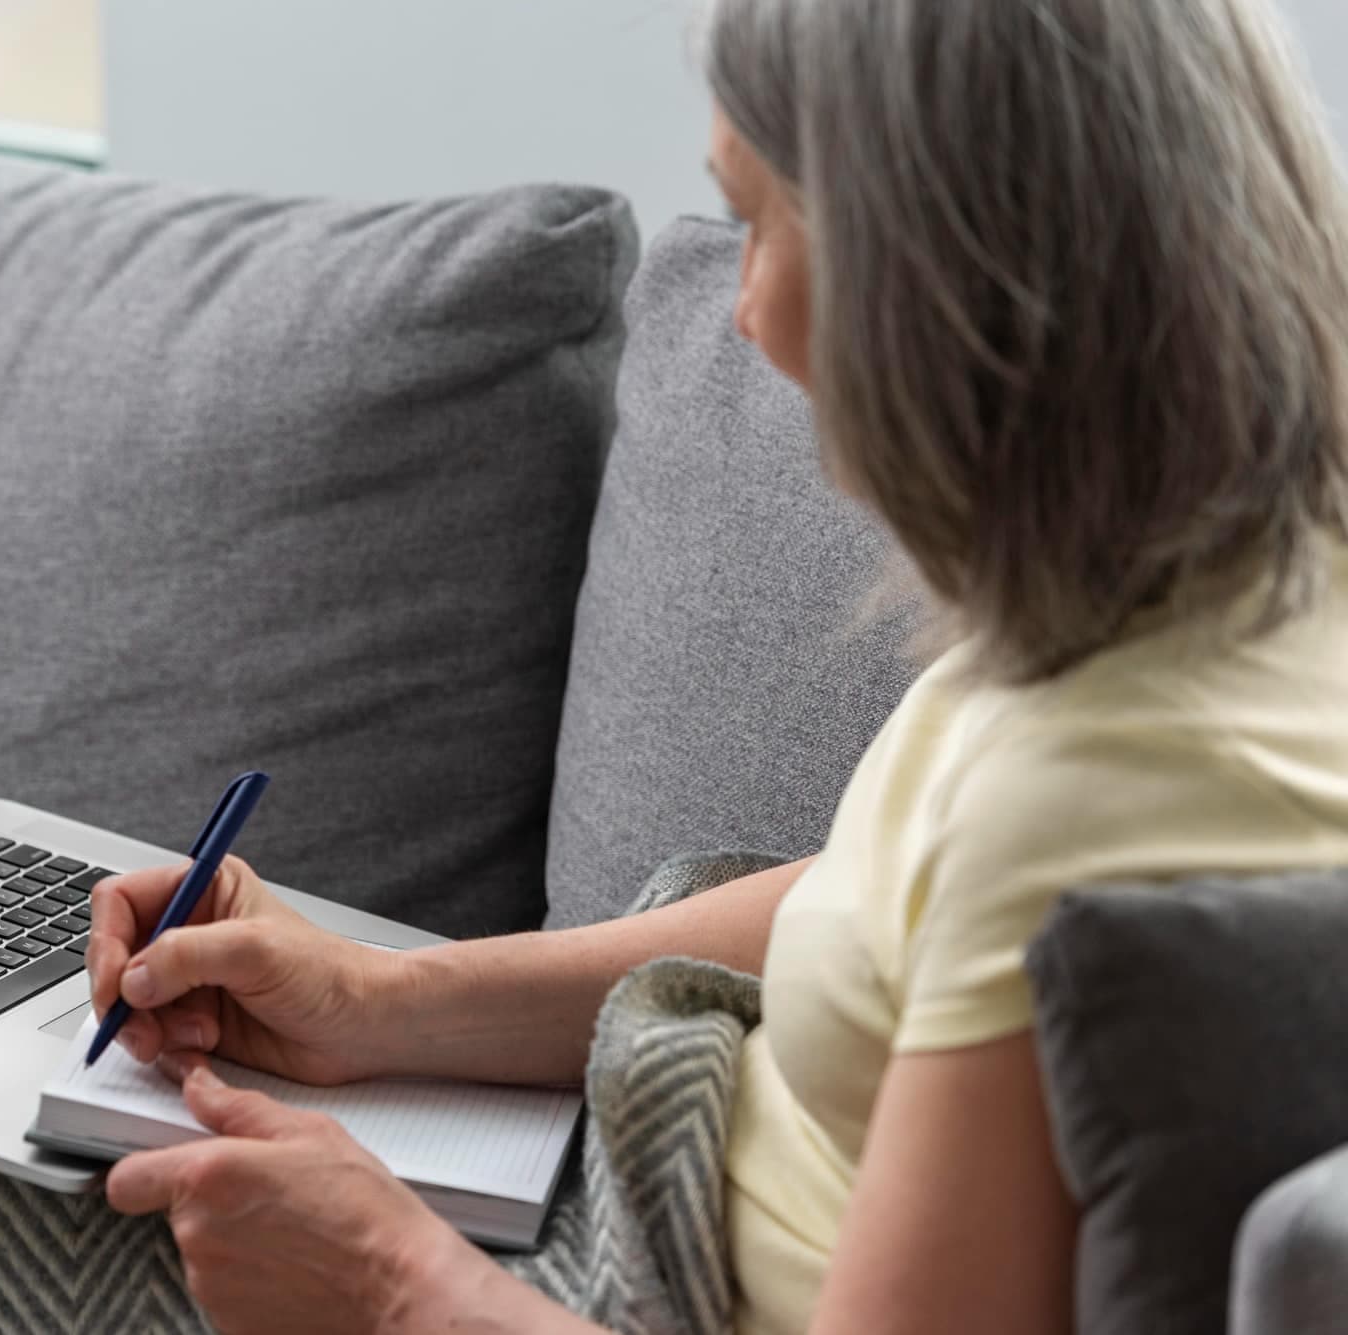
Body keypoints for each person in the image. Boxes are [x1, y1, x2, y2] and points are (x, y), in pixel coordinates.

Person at [83, 0, 1348, 1331]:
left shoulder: (1096, 795)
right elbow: (883, 902)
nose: (740, 313)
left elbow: (999, 881)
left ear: (946, 267)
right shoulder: (1226, 588)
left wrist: (390, 1282)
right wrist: (375, 999)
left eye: (763, 222)